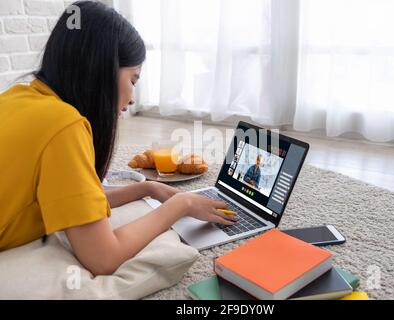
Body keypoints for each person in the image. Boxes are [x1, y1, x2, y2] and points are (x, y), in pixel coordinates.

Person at [0, 1, 237, 276]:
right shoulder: (64, 126)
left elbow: (74, 199)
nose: (132, 97)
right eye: (133, 80)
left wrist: (147, 189)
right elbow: (104, 258)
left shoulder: (18, 97)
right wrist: (180, 204)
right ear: (102, 70)